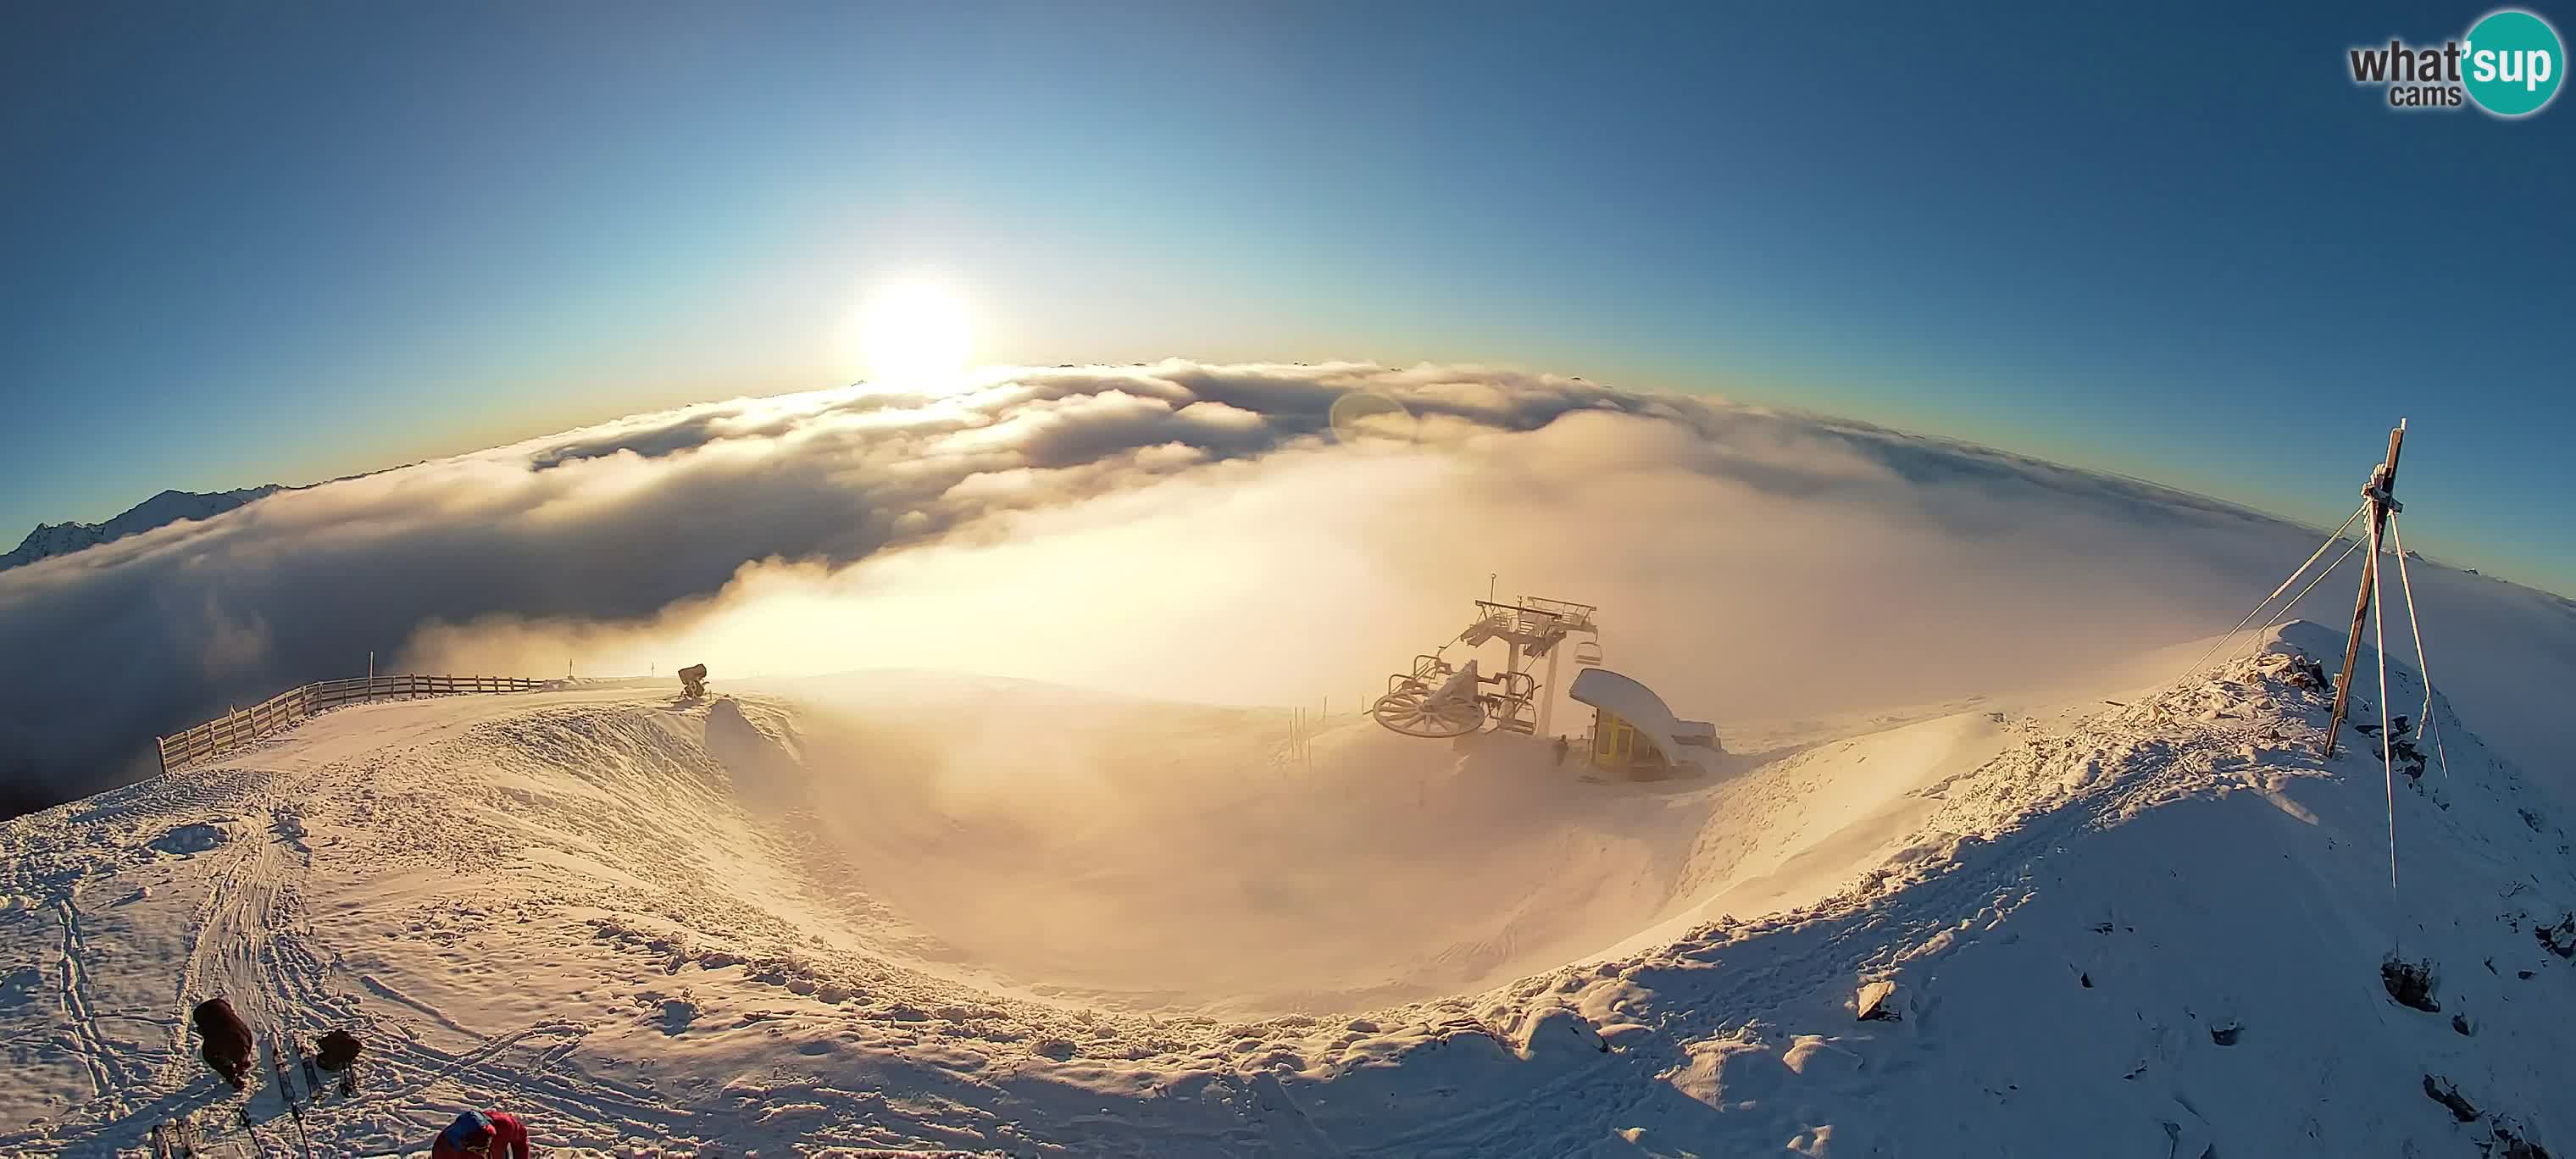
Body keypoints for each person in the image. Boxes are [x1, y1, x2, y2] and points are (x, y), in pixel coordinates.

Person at [432, 1110, 531, 1158]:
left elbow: (521, 1140)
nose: (483, 1154)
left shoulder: (503, 1125)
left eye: (486, 1146)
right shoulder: (443, 1151)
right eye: (476, 1150)